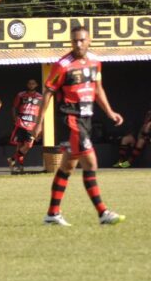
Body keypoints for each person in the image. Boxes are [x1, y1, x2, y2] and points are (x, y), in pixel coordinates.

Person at [34, 25, 125, 226]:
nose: (78, 44)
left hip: (86, 119)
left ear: (89, 40)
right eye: (74, 40)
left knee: (67, 166)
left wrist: (110, 112)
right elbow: (48, 92)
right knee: (90, 163)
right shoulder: (62, 65)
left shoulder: (95, 62)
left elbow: (97, 89)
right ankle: (103, 213)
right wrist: (38, 123)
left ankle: (52, 214)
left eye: (82, 40)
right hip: (71, 119)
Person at [8, 79, 43, 174]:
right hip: (21, 122)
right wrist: (14, 118)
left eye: (33, 83)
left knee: (28, 145)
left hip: (32, 124)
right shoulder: (21, 95)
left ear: (36, 85)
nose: (31, 85)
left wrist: (40, 127)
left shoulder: (40, 97)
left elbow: (42, 112)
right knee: (19, 144)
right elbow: (14, 107)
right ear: (27, 84)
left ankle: (12, 159)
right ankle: (19, 166)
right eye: (29, 83)